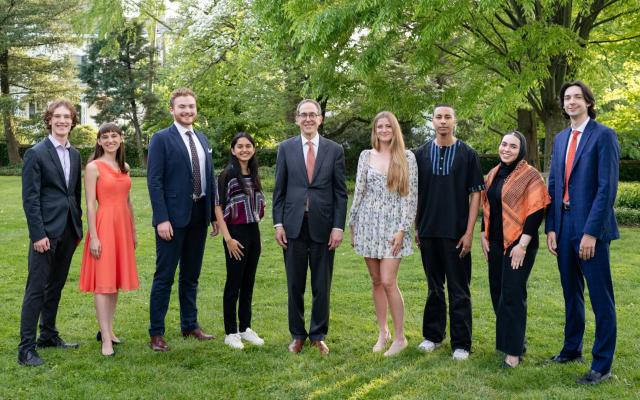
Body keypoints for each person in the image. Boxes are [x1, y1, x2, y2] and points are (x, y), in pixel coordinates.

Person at [545, 81, 620, 385]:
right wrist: (551, 227)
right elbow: (553, 185)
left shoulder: (603, 136)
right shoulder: (561, 138)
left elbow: (607, 188)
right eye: (567, 98)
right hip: (563, 227)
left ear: (588, 102)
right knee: (571, 293)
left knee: (601, 298)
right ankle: (571, 349)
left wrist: (591, 232)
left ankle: (601, 365)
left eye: (577, 97)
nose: (571, 101)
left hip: (591, 229)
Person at [272, 99, 348, 355]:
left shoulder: (334, 150)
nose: (308, 119)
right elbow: (279, 190)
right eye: (303, 115)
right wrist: (278, 223)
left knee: (321, 285)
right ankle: (297, 335)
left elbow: (340, 193)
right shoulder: (285, 148)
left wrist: (338, 226)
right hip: (293, 226)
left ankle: (317, 334)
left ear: (320, 119)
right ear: (296, 119)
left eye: (312, 115)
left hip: (324, 227)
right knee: (294, 284)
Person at [147, 88, 218, 352]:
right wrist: (161, 219)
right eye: (182, 107)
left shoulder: (201, 137)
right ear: (172, 110)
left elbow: (209, 177)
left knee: (191, 276)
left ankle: (190, 325)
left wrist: (212, 215)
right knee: (164, 277)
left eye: (191, 106)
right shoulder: (161, 139)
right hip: (172, 220)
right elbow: (154, 182)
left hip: (198, 217)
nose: (187, 111)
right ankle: (156, 333)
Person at [414, 104, 484, 361]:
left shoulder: (468, 154)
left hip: (456, 233)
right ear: (432, 121)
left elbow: (476, 193)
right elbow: (416, 193)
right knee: (434, 287)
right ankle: (433, 336)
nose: (443, 121)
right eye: (438, 117)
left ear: (455, 121)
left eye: (448, 117)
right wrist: (416, 225)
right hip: (428, 231)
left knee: (459, 289)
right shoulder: (420, 154)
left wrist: (469, 233)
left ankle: (461, 344)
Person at [18, 100, 83, 366]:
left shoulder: (76, 154)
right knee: (36, 289)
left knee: (55, 286)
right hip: (45, 232)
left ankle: (48, 335)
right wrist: (38, 235)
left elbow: (74, 193)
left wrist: (77, 227)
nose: (62, 121)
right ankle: (26, 348)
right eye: (57, 116)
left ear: (72, 121)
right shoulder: (36, 153)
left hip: (69, 230)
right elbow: (30, 199)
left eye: (67, 117)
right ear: (49, 120)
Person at [348, 111, 417, 356]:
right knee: (376, 281)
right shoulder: (366, 156)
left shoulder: (407, 157)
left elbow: (411, 198)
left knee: (389, 281)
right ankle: (383, 332)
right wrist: (353, 224)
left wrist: (402, 230)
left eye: (388, 126)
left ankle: (400, 338)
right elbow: (359, 192)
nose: (384, 130)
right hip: (368, 224)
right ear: (375, 130)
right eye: (380, 127)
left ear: (394, 129)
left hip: (392, 227)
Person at [480, 131, 550, 368]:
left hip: (520, 244)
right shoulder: (493, 174)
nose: (506, 149)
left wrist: (522, 244)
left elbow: (536, 210)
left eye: (512, 146)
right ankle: (516, 342)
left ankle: (513, 353)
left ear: (521, 150)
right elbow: (488, 204)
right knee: (497, 292)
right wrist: (483, 234)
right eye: (504, 144)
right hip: (497, 243)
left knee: (512, 294)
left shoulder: (531, 176)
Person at [79, 123, 139, 356]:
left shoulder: (125, 166)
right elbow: (90, 204)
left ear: (121, 139)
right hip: (104, 226)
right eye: (105, 137)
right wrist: (94, 236)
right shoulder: (93, 167)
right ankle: (105, 339)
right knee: (103, 283)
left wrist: (132, 232)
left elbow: (128, 201)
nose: (110, 140)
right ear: (99, 141)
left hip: (122, 227)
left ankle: (110, 330)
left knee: (114, 282)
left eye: (115, 136)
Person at [215, 132, 266, 350]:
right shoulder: (228, 174)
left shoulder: (253, 173)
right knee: (233, 283)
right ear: (233, 150)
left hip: (253, 231)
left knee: (248, 283)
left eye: (248, 146)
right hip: (235, 233)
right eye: (240, 146)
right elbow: (218, 206)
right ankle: (230, 332)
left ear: (253, 149)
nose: (244, 149)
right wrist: (228, 239)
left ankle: (245, 328)